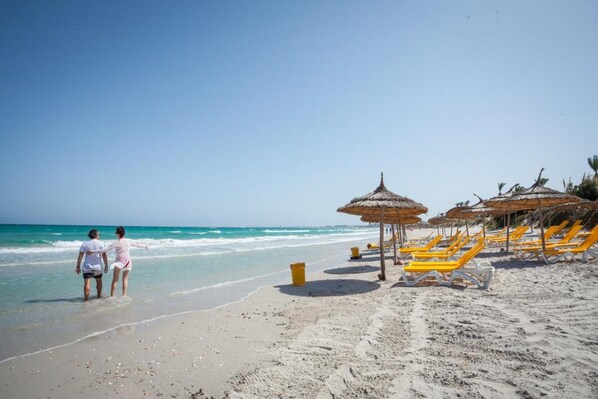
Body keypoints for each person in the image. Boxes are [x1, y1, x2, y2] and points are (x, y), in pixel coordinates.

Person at [90, 226, 147, 297]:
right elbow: (137, 244)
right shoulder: (128, 240)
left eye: (116, 233)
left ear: (117, 234)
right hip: (128, 261)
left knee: (115, 279)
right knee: (125, 279)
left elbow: (104, 250)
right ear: (124, 233)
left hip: (119, 262)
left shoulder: (116, 242)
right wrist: (145, 246)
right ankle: (124, 295)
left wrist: (93, 252)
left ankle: (112, 296)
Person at [76, 229, 109, 301]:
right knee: (99, 281)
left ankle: (86, 300)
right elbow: (104, 256)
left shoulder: (85, 244)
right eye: (99, 235)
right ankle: (99, 296)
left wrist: (78, 266)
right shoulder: (101, 243)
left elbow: (80, 256)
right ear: (96, 235)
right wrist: (106, 265)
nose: (99, 236)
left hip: (87, 267)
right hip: (98, 267)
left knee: (87, 282)